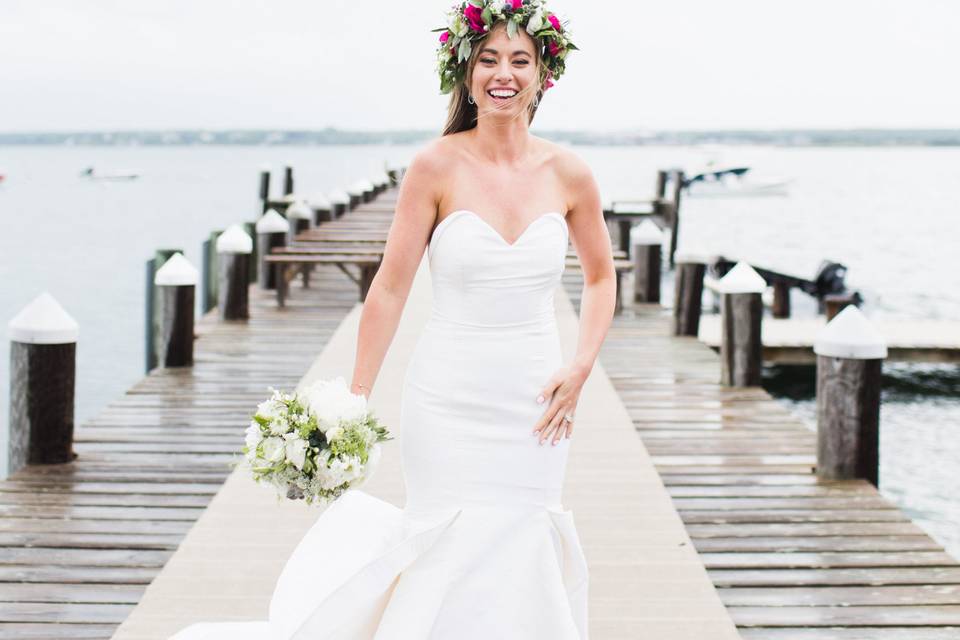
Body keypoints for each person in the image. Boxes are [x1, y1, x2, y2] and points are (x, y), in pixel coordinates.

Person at [170, 1, 615, 638]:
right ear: (465, 72)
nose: (504, 74)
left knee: (523, 533)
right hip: (447, 397)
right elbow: (389, 289)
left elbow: (601, 278)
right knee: (447, 541)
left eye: (521, 59)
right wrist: (353, 398)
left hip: (538, 399)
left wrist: (580, 368)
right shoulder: (435, 166)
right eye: (488, 58)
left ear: (545, 72)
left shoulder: (570, 173)